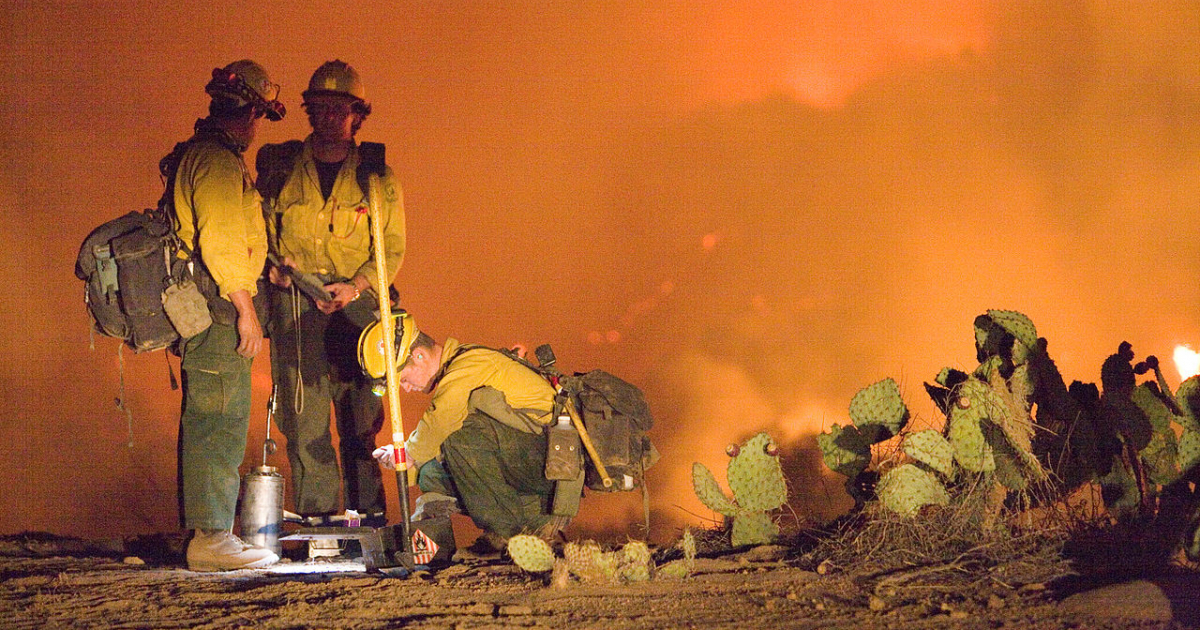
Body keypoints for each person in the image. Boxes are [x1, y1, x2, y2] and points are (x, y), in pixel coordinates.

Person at [256, 60, 405, 536]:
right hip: (297, 299)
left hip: (357, 302)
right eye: (319, 108)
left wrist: (358, 286)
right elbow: (257, 232)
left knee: (362, 412)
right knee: (304, 413)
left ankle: (369, 518)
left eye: (339, 109)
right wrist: (273, 273)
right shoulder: (280, 169)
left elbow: (393, 248)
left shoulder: (377, 176)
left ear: (357, 115)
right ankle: (319, 517)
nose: (328, 117)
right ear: (308, 111)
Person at [173, 59, 286, 571]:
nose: (256, 126)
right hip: (219, 309)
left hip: (215, 306)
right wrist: (246, 309)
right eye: (258, 115)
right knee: (217, 421)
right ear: (247, 112)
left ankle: (214, 533)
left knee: (219, 417)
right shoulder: (216, 161)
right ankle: (211, 538)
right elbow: (218, 243)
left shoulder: (209, 156)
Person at [368, 312, 572, 549]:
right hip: (531, 462)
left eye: (402, 379)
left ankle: (510, 536)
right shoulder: (462, 364)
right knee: (431, 473)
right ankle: (534, 524)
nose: (405, 388)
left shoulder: (467, 366)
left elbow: (441, 419)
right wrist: (411, 463)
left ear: (419, 355)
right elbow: (438, 430)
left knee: (458, 436)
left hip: (552, 462)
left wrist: (406, 455)